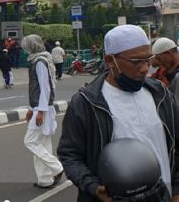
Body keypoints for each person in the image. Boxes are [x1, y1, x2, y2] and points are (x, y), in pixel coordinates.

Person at [58, 25, 179, 201]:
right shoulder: (86, 103)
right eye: (136, 61)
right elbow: (69, 156)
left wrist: (176, 190)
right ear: (109, 60)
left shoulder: (161, 94)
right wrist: (93, 186)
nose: (145, 68)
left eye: (148, 59)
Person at [21, 34, 64, 189]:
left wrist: (40, 111)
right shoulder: (37, 60)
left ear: (32, 46)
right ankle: (45, 179)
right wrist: (31, 109)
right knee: (43, 143)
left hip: (43, 108)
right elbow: (38, 89)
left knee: (30, 141)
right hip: (40, 107)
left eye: (26, 46)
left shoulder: (40, 62)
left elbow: (45, 88)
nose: (24, 49)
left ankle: (57, 167)